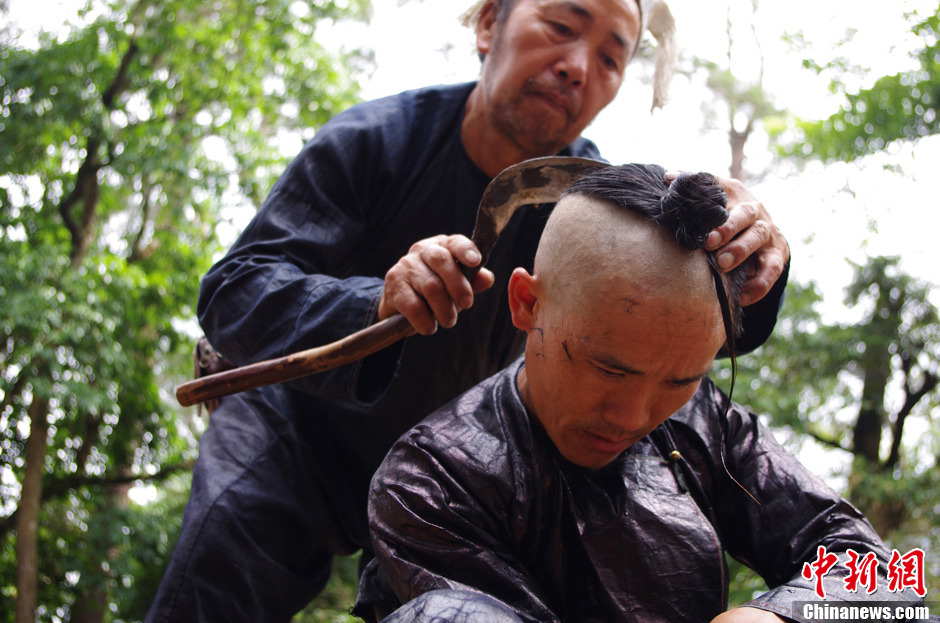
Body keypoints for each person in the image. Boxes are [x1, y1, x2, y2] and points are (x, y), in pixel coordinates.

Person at [146, 1, 790, 621]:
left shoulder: (597, 208)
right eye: (562, 26)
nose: (577, 67)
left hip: (456, 482)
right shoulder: (373, 142)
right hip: (298, 441)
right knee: (216, 586)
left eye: (611, 60)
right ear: (489, 24)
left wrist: (754, 261)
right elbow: (236, 288)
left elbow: (665, 334)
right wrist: (372, 302)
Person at [366, 165, 920, 623]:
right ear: (527, 304)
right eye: (609, 369)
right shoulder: (433, 478)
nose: (633, 417)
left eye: (680, 380)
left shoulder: (707, 421)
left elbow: (878, 572)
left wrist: (778, 617)